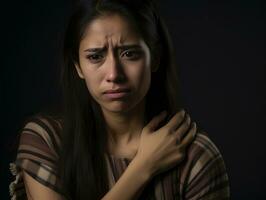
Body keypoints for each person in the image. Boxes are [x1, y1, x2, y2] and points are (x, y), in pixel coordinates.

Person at [9, 0, 230, 199]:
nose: (114, 74)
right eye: (95, 56)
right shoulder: (47, 141)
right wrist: (143, 168)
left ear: (155, 58)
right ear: (78, 66)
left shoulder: (195, 157)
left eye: (130, 54)